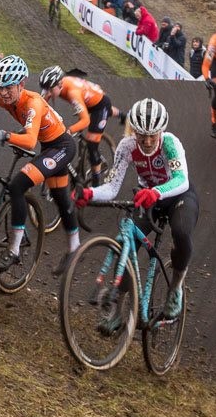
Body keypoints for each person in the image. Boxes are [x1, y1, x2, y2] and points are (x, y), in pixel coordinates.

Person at [75, 98, 198, 321]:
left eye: (153, 135)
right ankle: (118, 312)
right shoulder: (127, 146)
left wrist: (157, 191)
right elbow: (112, 187)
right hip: (148, 198)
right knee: (124, 243)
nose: (148, 141)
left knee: (180, 232)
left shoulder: (170, 143)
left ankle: (176, 288)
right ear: (134, 131)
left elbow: (182, 180)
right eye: (142, 135)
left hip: (178, 196)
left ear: (161, 130)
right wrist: (90, 193)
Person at [0, 55, 80, 272]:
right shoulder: (0, 96)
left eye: (9, 88)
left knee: (17, 185)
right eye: (0, 87)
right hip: (49, 147)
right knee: (61, 199)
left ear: (21, 84)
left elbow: (30, 141)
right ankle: (74, 246)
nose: (3, 93)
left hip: (62, 147)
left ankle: (14, 251)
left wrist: (4, 135)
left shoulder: (32, 102)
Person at [38, 65, 114, 186]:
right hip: (86, 99)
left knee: (92, 144)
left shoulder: (73, 93)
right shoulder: (54, 86)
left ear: (60, 85)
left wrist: (69, 131)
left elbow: (85, 121)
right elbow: (39, 106)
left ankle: (96, 185)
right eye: (45, 89)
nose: (47, 93)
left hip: (100, 105)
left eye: (50, 90)